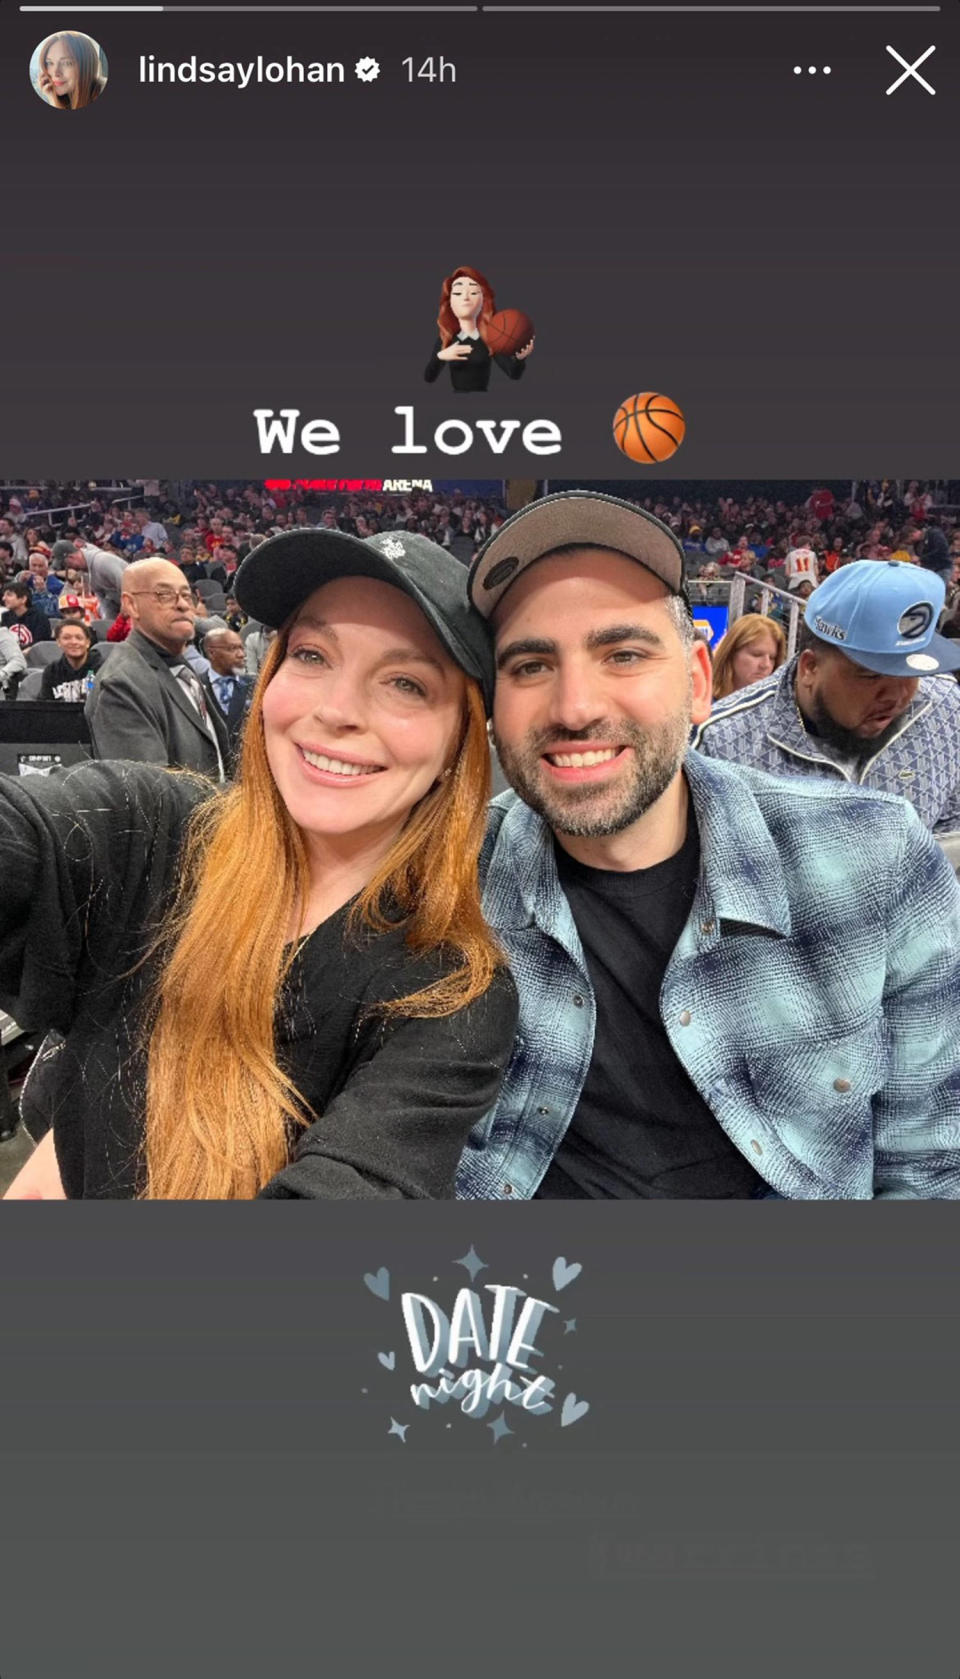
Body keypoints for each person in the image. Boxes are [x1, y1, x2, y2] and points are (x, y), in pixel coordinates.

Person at [456, 490, 960, 1200]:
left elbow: (934, 1173)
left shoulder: (878, 859)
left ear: (697, 681)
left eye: (623, 653)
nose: (575, 707)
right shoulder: (441, 884)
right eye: (531, 666)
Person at [2, 527, 517, 1200]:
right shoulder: (153, 831)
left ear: (460, 739)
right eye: (311, 653)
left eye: (405, 682)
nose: (335, 710)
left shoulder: (450, 991)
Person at [696, 561, 960, 839]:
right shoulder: (721, 744)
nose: (897, 695)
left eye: (911, 671)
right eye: (871, 676)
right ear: (810, 667)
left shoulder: (948, 711)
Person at [85, 558, 230, 779]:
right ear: (131, 605)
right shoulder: (121, 684)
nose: (182, 604)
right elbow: (151, 796)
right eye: (164, 595)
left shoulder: (181, 667)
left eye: (186, 595)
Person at [424, 266, 534, 393]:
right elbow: (429, 378)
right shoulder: (446, 338)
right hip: (455, 406)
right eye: (458, 293)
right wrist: (440, 356)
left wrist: (520, 359)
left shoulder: (490, 338)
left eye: (473, 292)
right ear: (450, 302)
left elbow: (513, 374)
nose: (465, 297)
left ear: (483, 300)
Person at [202, 625, 254, 767]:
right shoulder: (196, 686)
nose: (241, 654)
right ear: (212, 653)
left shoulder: (255, 686)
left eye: (241, 648)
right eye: (232, 649)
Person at [711, 614, 786, 700]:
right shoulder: (700, 703)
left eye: (772, 658)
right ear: (731, 653)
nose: (766, 665)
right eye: (756, 654)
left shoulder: (776, 706)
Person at [34, 30, 106, 110]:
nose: (55, 73)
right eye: (49, 63)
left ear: (86, 65)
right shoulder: (67, 96)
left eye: (66, 63)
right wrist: (52, 98)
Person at [40, 619, 102, 702]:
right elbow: (44, 707)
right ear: (58, 642)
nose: (73, 642)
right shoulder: (51, 671)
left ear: (88, 642)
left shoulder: (103, 668)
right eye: (66, 638)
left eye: (79, 638)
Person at [1, 579, 52, 649]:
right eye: (4, 595)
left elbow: (41, 644)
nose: (4, 598)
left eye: (9, 595)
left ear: (23, 599)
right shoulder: (5, 616)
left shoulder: (39, 617)